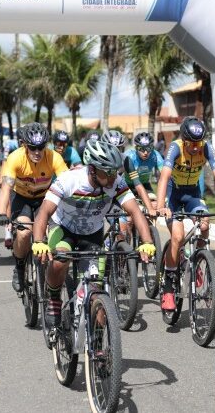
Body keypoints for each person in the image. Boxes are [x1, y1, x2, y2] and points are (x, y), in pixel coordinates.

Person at [31, 140, 157, 328]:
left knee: (96, 292)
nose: (113, 177)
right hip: (63, 229)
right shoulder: (69, 180)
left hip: (92, 234)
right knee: (60, 259)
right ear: (92, 169)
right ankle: (54, 297)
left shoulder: (116, 183)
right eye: (108, 172)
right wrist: (39, 241)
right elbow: (44, 212)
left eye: (115, 172)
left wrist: (147, 242)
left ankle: (99, 350)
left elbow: (135, 211)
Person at [156, 116, 215, 311]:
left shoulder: (206, 147)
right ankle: (169, 285)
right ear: (184, 139)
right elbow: (163, 178)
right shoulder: (175, 147)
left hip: (192, 194)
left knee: (204, 224)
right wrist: (161, 205)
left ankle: (198, 261)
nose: (196, 147)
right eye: (192, 143)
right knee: (178, 237)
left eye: (199, 142)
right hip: (173, 195)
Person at [0, 123, 68, 293]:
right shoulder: (15, 158)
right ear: (24, 145)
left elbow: (68, 182)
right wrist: (1, 212)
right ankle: (19, 267)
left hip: (44, 198)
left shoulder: (54, 157)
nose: (37, 152)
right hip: (21, 198)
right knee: (24, 232)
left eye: (41, 147)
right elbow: (6, 188)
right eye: (32, 147)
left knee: (53, 233)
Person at [122, 132, 164, 236]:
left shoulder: (155, 155)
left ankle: (148, 232)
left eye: (148, 148)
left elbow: (165, 176)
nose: (145, 152)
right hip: (128, 186)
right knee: (129, 219)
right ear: (136, 148)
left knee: (154, 205)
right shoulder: (129, 156)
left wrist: (164, 199)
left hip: (145, 185)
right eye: (141, 149)